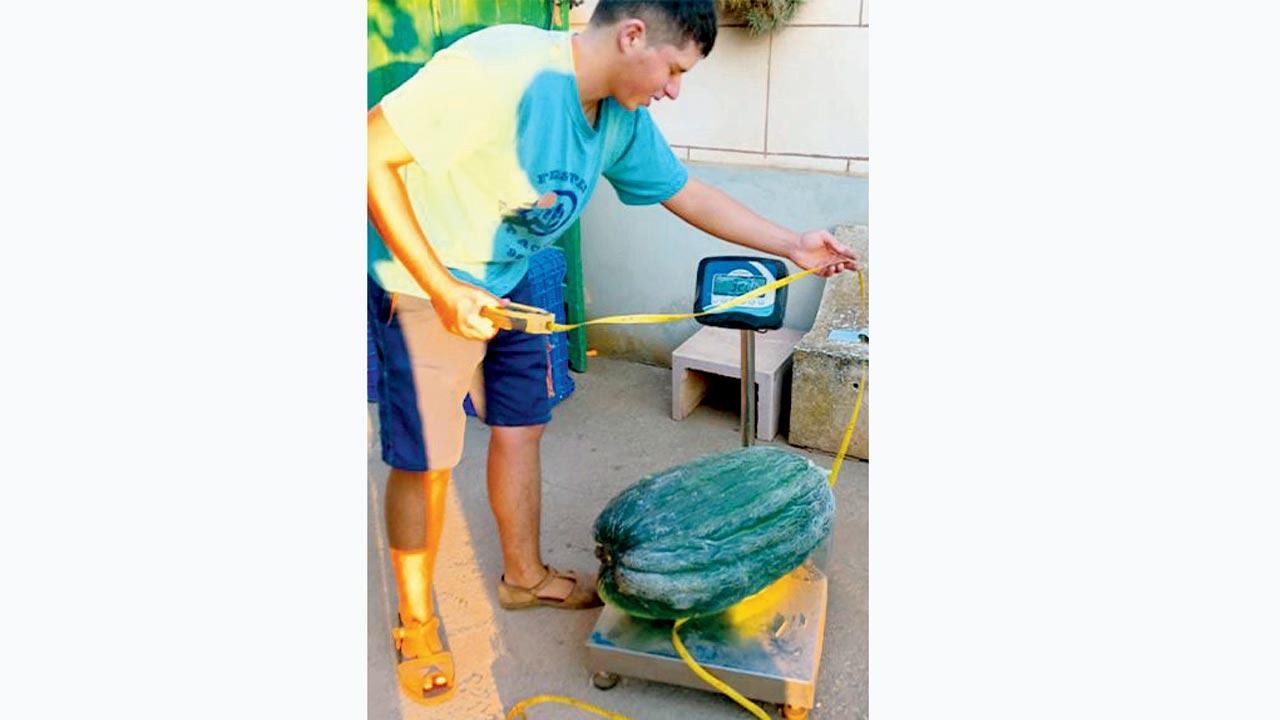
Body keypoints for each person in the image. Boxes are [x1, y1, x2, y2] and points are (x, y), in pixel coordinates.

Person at [366, 0, 860, 704]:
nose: (673, 88)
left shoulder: (620, 117)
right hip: (423, 280)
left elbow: (687, 191)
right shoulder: (499, 70)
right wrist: (441, 288)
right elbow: (369, 151)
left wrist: (790, 245)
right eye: (674, 68)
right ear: (632, 35)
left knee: (522, 425)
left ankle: (522, 578)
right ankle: (415, 621)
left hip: (509, 280)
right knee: (428, 459)